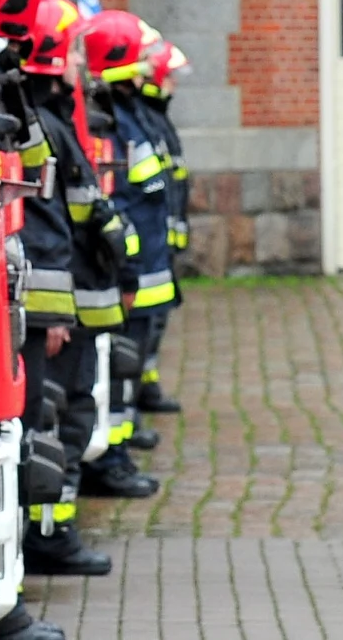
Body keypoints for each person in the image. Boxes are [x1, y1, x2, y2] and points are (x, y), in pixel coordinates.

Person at [0, 0, 71, 640]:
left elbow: (37, 193)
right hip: (6, 285)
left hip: (15, 283)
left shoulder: (5, 87)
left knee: (25, 419)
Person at [18, 0, 127, 573]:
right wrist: (53, 313)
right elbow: (48, 224)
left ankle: (52, 532)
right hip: (59, 304)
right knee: (58, 417)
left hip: (70, 299)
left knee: (66, 412)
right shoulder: (44, 127)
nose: (81, 65)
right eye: (73, 53)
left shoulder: (46, 122)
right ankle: (50, 537)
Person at [78, 9, 174, 497]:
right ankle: (109, 459)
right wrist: (129, 273)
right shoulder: (111, 124)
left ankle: (120, 442)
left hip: (140, 270)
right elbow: (117, 205)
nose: (148, 72)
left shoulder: (127, 116)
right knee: (115, 367)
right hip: (125, 275)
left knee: (127, 366)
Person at [136, 40, 193, 413]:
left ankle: (147, 382)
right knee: (146, 323)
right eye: (169, 76)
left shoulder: (155, 117)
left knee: (156, 321)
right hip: (150, 241)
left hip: (162, 239)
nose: (173, 83)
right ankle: (142, 386)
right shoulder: (143, 117)